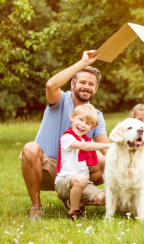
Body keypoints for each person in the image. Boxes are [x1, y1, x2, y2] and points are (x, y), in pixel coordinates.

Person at [20, 50, 110, 220]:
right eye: (82, 82)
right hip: (47, 167)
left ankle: (75, 199)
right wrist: (84, 63)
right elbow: (50, 85)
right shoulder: (59, 100)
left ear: (96, 88)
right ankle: (36, 207)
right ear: (72, 84)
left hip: (76, 171)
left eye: (91, 84)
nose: (86, 87)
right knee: (30, 148)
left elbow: (107, 150)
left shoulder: (96, 115)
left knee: (108, 163)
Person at [55, 104, 110, 220]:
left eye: (88, 123)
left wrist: (122, 153)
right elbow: (84, 146)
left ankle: (74, 202)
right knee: (81, 178)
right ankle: (73, 211)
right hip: (64, 183)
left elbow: (104, 160)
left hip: (83, 184)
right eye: (80, 119)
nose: (82, 125)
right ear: (72, 117)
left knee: (105, 198)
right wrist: (108, 145)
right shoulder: (67, 138)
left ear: (92, 127)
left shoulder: (87, 141)